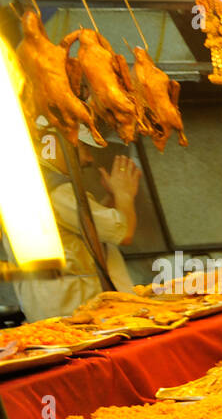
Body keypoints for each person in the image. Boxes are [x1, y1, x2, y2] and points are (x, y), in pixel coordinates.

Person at [0, 122, 142, 321]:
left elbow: (86, 230)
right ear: (53, 142)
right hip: (76, 310)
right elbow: (123, 233)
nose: (88, 159)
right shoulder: (55, 190)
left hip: (52, 307)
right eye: (84, 148)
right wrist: (124, 195)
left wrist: (111, 198)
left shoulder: (27, 184)